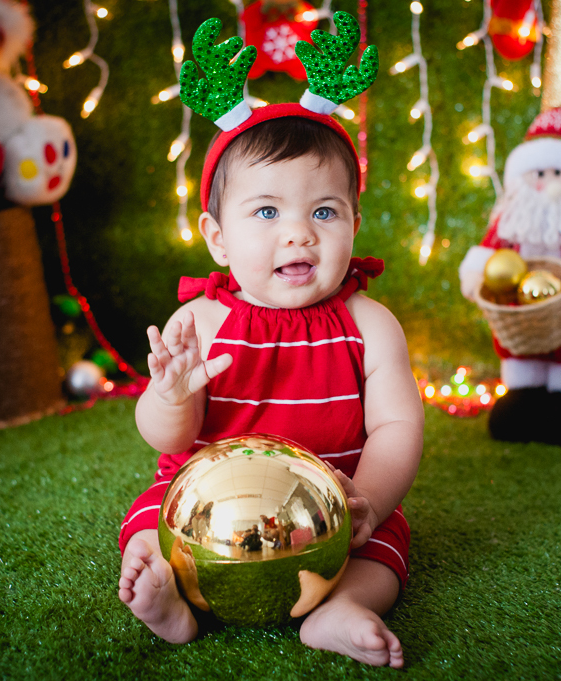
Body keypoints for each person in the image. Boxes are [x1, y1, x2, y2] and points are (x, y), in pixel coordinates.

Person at [115, 105, 424, 668]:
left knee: (382, 553)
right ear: (218, 239)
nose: (299, 234)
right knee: (146, 526)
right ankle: (173, 599)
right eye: (265, 211)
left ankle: (343, 606)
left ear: (354, 224)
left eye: (324, 211)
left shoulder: (371, 324)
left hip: (333, 508)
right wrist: (170, 398)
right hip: (204, 511)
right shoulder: (202, 322)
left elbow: (397, 426)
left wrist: (370, 502)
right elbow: (165, 438)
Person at [459, 106, 561, 446]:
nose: (547, 183)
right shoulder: (511, 218)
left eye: (557, 173)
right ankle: (523, 395)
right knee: (521, 361)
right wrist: (476, 275)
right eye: (538, 173)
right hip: (524, 316)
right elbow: (489, 250)